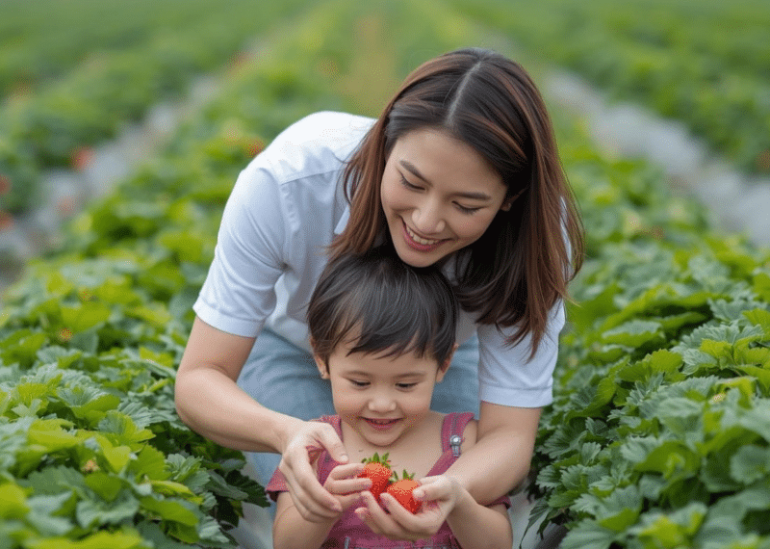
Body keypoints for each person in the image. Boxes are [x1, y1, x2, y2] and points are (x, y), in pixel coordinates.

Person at [175, 47, 584, 541]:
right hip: (292, 347)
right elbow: (200, 378)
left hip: (431, 354)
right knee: (315, 503)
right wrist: (286, 433)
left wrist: (452, 490)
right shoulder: (290, 182)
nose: (427, 222)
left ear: (510, 199)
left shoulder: (536, 240)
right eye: (412, 182)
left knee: (449, 509)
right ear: (384, 143)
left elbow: (509, 435)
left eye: (465, 205)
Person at [268, 246, 513, 549]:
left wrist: (459, 501)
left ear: (443, 364)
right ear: (321, 358)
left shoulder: (465, 443)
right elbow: (285, 544)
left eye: (405, 385)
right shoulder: (313, 449)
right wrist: (325, 507)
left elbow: (499, 543)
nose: (382, 405)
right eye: (360, 382)